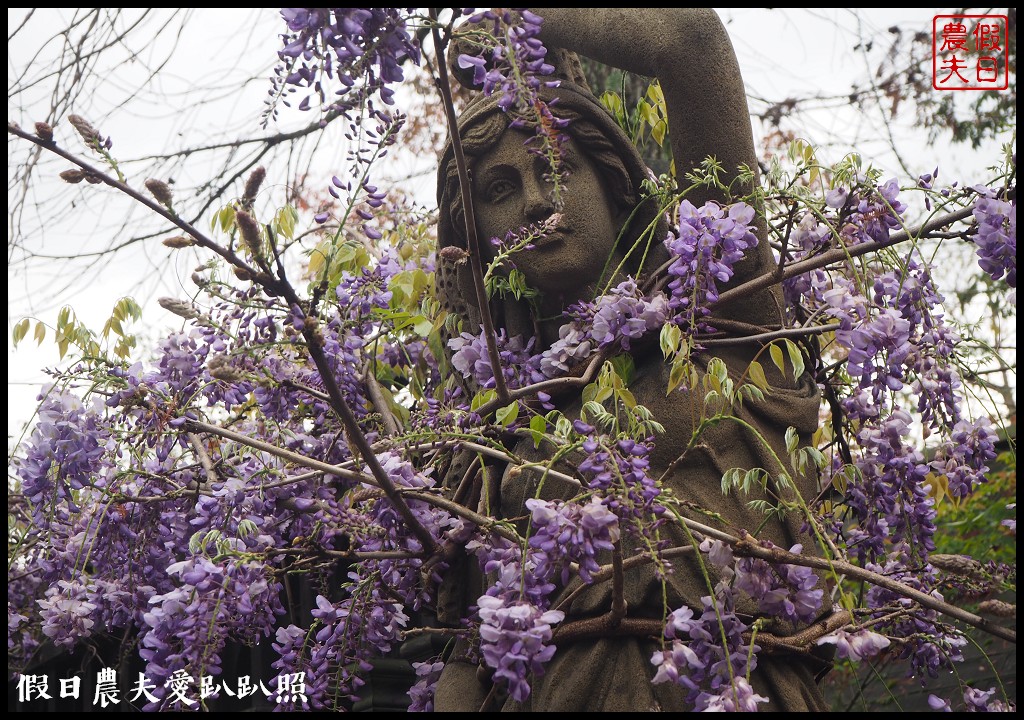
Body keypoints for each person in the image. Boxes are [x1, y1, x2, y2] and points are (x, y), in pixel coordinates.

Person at [433, 8, 828, 711]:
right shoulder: (504, 420)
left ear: (614, 179)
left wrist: (526, 19)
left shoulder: (719, 314)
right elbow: (465, 653)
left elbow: (690, 42)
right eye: (496, 191)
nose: (532, 203)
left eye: (555, 166)